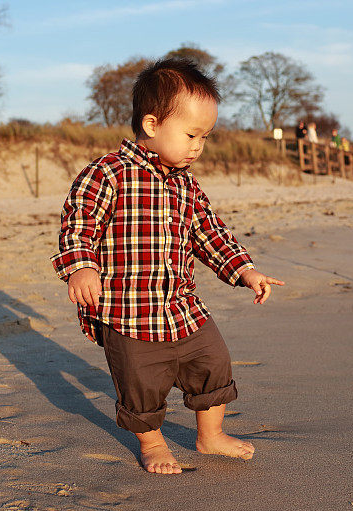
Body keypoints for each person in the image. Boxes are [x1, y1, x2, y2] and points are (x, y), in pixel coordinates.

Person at [51, 58, 284, 475]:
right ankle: (153, 443)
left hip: (181, 307)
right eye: (192, 134)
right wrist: (81, 267)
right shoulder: (108, 174)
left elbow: (211, 234)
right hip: (127, 311)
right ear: (153, 124)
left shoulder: (187, 185)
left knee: (214, 362)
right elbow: (78, 223)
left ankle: (210, 436)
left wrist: (246, 271)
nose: (198, 146)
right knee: (140, 385)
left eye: (205, 137)